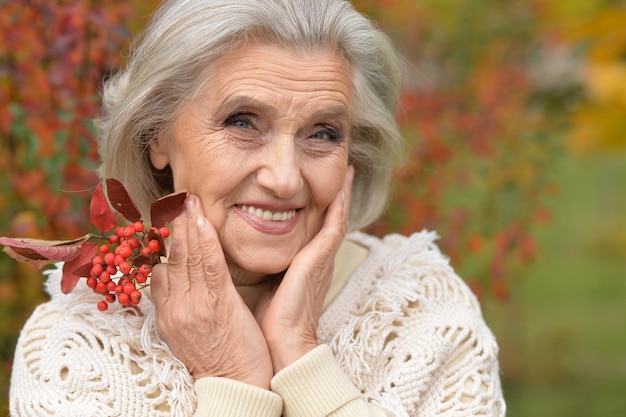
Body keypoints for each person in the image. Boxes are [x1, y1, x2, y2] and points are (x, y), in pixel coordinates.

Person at [9, 0, 506, 416]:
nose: (285, 177)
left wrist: (301, 354)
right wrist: (231, 379)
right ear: (155, 135)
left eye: (323, 133)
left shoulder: (420, 309)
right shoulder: (77, 345)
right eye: (243, 122)